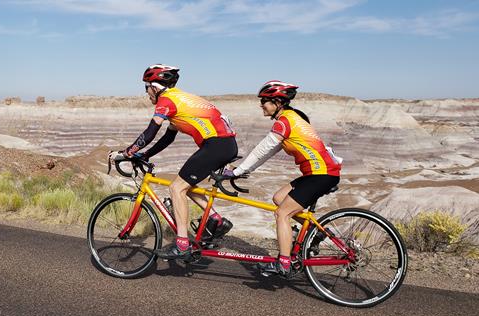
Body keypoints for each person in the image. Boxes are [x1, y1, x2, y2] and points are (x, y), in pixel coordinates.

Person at [110, 64, 238, 260]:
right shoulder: (181, 98)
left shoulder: (167, 100)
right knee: (186, 184)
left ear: (155, 86)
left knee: (176, 188)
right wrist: (145, 155)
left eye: (146, 88)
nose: (147, 93)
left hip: (216, 145)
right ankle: (216, 220)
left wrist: (128, 152)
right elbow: (168, 138)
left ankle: (182, 244)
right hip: (224, 144)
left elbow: (150, 132)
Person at [224, 80, 342, 277]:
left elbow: (262, 149)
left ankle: (284, 263)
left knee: (282, 214)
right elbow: (267, 154)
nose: (261, 104)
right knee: (279, 198)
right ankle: (315, 232)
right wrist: (242, 170)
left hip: (321, 174)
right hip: (319, 172)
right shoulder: (292, 117)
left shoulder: (285, 121)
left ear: (278, 102)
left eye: (264, 101)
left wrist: (235, 172)